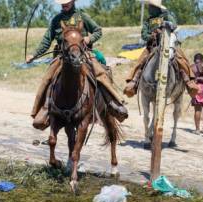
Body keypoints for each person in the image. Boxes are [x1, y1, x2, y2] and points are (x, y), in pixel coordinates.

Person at [26, 0, 128, 130]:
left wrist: (89, 38)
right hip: (62, 56)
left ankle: (115, 103)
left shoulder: (83, 16)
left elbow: (98, 30)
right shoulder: (56, 20)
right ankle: (41, 111)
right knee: (47, 78)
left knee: (100, 73)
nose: (64, 4)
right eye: (62, 2)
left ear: (73, 2)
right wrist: (33, 55)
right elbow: (46, 41)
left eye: (67, 2)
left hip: (83, 54)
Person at [123, 0, 198, 99]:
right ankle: (133, 81)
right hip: (153, 46)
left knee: (181, 59)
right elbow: (144, 35)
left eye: (151, 7)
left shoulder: (166, 16)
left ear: (157, 8)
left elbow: (174, 25)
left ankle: (188, 81)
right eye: (149, 7)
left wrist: (164, 26)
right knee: (141, 61)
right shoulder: (147, 21)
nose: (149, 9)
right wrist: (152, 35)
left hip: (169, 44)